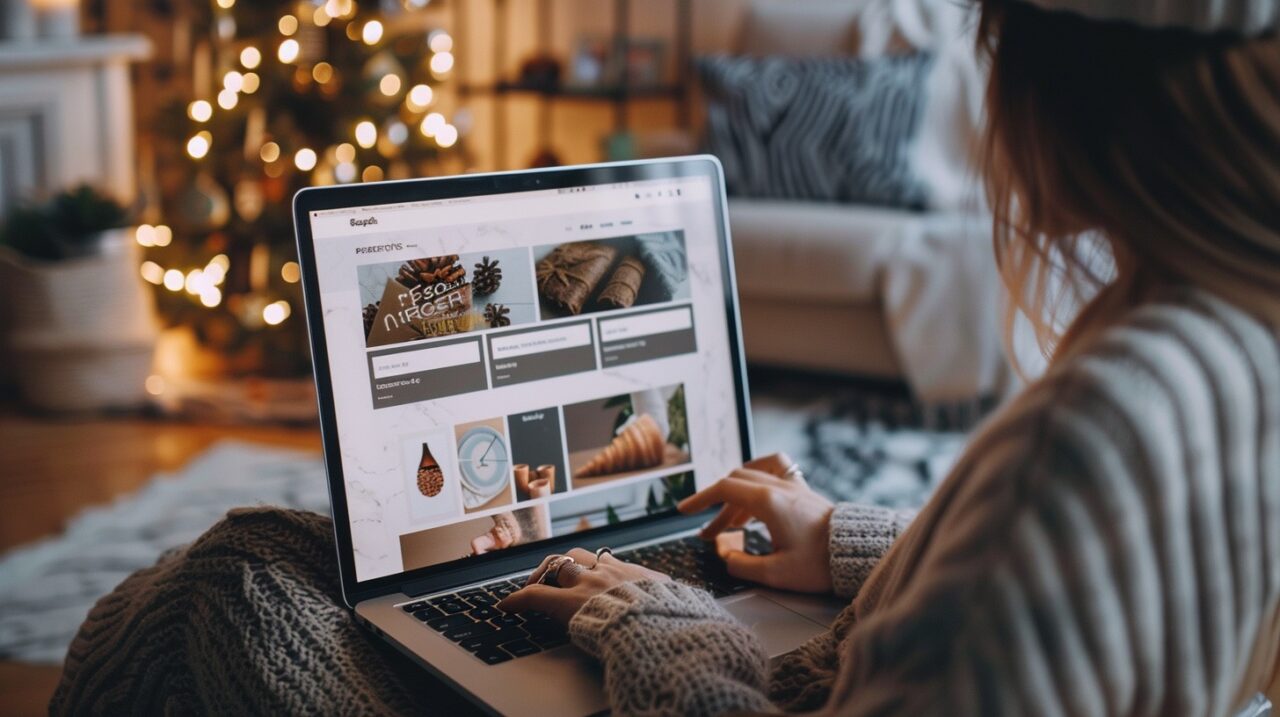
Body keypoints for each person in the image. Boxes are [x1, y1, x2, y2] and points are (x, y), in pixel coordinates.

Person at [494, 0, 1280, 714]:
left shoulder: (1068, 449)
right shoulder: (1241, 346)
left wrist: (655, 619)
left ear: (1064, 92)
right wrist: (851, 537)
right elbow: (1056, 597)